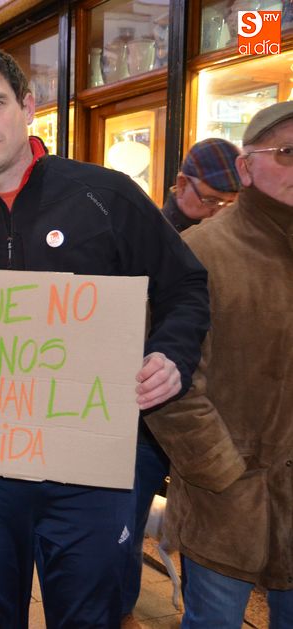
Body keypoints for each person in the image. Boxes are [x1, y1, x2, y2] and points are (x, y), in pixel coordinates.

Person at [0, 45, 209, 628]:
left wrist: (171, 355)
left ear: (27, 107)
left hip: (92, 464)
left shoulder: (106, 196)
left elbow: (186, 285)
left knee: (88, 617)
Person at [145, 101, 293, 629]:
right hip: (226, 504)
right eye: (287, 151)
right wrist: (224, 475)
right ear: (246, 168)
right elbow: (168, 384)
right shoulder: (202, 251)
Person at [122, 136, 242, 628]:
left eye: (228, 203)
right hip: (146, 421)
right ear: (180, 185)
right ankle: (120, 608)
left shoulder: (235, 247)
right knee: (125, 526)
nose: (216, 212)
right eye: (209, 200)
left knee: (206, 534)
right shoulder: (146, 234)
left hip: (206, 416)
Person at [161, 137, 241, 232]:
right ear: (182, 185)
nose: (220, 213)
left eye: (231, 203)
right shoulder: (156, 235)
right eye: (211, 201)